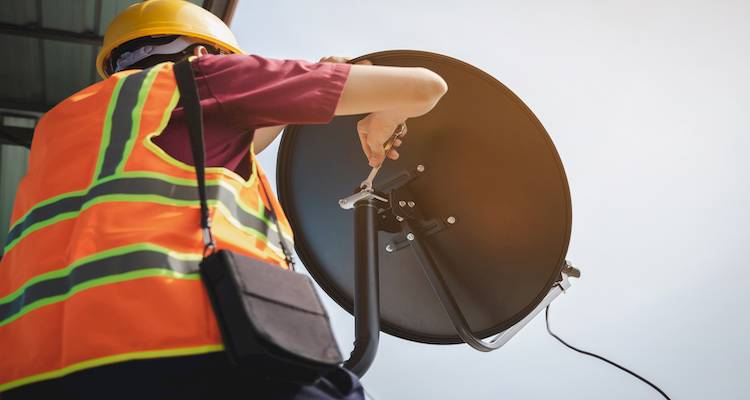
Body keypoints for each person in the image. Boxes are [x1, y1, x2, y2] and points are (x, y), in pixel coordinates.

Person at [0, 0, 447, 399]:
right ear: (204, 52)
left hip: (36, 371)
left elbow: (218, 143)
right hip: (193, 343)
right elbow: (426, 87)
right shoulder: (206, 76)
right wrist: (382, 112)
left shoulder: (68, 121)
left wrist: (307, 94)